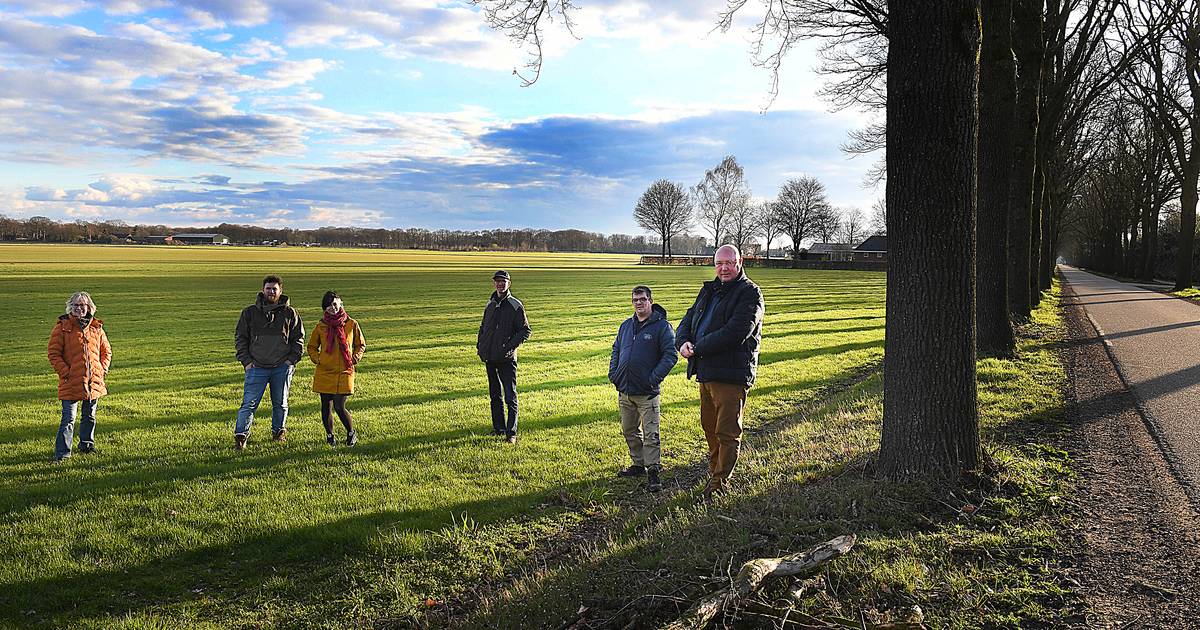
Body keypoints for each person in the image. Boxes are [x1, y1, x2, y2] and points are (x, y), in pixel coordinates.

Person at [675, 245, 764, 500]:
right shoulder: (709, 290)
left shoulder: (749, 293)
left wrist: (697, 348)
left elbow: (737, 332)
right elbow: (688, 320)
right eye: (719, 263)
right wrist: (682, 342)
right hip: (706, 372)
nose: (723, 268)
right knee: (710, 427)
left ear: (740, 262)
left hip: (731, 374)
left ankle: (719, 484)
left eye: (729, 262)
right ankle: (715, 472)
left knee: (727, 431)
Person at [609, 285, 677, 493]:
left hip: (647, 393)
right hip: (625, 390)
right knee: (629, 430)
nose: (639, 303)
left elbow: (670, 355)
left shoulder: (662, 327)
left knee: (650, 433)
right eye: (635, 300)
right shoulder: (626, 326)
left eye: (642, 299)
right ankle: (638, 464)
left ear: (650, 301)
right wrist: (614, 374)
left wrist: (653, 378)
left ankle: (653, 470)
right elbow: (616, 349)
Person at [233, 275, 304, 450]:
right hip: (256, 367)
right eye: (268, 288)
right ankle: (241, 436)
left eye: (274, 289)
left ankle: (278, 432)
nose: (271, 292)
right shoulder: (249, 313)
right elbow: (240, 338)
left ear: (281, 291)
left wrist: (291, 361)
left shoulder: (290, 313)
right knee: (248, 404)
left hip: (282, 367)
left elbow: (298, 339)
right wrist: (247, 362)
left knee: (280, 403)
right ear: (263, 290)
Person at [47, 291, 111, 463]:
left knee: (90, 415)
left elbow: (106, 352)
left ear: (89, 307)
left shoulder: (96, 327)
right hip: (71, 381)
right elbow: (53, 354)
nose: (79, 308)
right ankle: (62, 454)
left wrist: (101, 369)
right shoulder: (62, 327)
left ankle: (86, 445)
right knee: (68, 419)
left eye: (82, 305)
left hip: (93, 381)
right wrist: (66, 373)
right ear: (70, 307)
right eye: (76, 305)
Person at [476, 270, 531, 444]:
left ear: (509, 283)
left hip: (507, 359)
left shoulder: (515, 305)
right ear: (494, 284)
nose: (500, 284)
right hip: (490, 357)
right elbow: (483, 327)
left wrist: (508, 347)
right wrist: (480, 345)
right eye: (497, 281)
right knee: (494, 396)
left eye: (503, 281)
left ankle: (511, 433)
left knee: (510, 396)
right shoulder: (490, 304)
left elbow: (525, 331)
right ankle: (498, 428)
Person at [307, 291, 365, 446]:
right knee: (326, 406)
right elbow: (312, 347)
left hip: (345, 370)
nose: (332, 308)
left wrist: (355, 358)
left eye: (334, 304)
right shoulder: (321, 326)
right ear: (324, 309)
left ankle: (351, 432)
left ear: (340, 303)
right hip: (325, 371)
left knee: (339, 406)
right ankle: (330, 436)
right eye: (328, 306)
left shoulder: (351, 324)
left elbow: (361, 345)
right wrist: (318, 359)